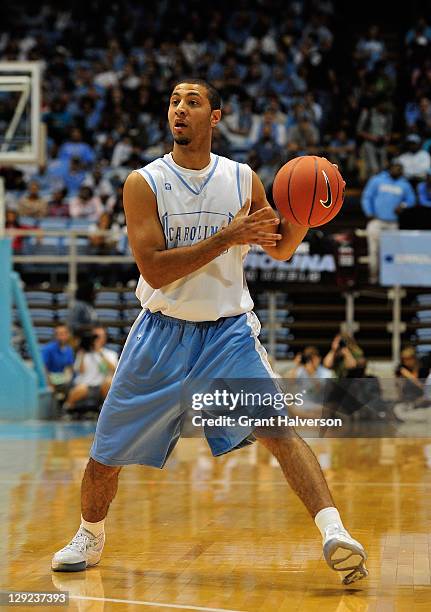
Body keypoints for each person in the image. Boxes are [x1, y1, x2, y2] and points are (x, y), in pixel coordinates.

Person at [52, 79, 368, 585]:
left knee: (281, 432)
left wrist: (306, 213)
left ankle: (335, 533)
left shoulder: (243, 179)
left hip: (227, 334)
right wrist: (229, 236)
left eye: (192, 102)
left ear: (214, 117)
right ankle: (90, 534)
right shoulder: (144, 183)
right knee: (105, 457)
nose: (180, 109)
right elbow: (154, 269)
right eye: (174, 101)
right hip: (160, 333)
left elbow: (281, 246)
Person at [361, 160, 416, 283]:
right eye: (396, 168)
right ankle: (373, 278)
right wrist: (369, 212)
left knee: (392, 252)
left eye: (400, 168)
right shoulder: (377, 180)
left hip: (392, 223)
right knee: (373, 251)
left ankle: (389, 279)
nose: (398, 170)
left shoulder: (404, 184)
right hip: (377, 221)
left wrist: (403, 205)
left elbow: (411, 199)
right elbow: (367, 197)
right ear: (389, 168)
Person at [63, 327, 118, 414]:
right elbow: (80, 370)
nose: (97, 339)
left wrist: (99, 352)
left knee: (109, 382)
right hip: (86, 385)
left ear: (104, 338)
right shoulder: (83, 353)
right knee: (80, 389)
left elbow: (114, 369)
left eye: (99, 337)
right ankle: (67, 409)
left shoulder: (110, 354)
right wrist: (82, 352)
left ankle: (108, 411)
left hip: (101, 386)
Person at [41, 324, 74, 394]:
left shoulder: (69, 350)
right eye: (60, 334)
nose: (62, 336)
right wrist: (49, 383)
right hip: (50, 378)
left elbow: (69, 367)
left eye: (64, 333)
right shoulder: (48, 349)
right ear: (55, 336)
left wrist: (68, 377)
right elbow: (43, 367)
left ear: (68, 335)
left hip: (63, 379)